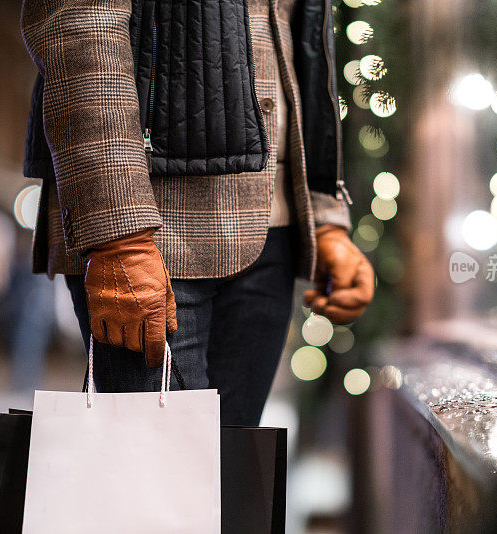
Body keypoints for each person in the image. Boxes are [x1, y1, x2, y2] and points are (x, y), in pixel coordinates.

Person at [20, 0, 374, 426]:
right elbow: (79, 19)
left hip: (273, 228)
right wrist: (120, 234)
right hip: (152, 227)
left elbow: (298, 31)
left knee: (234, 480)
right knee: (154, 481)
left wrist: (324, 217)